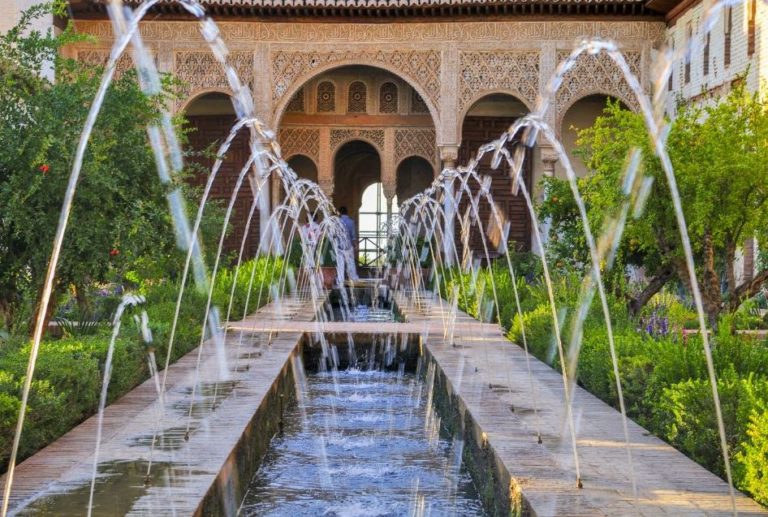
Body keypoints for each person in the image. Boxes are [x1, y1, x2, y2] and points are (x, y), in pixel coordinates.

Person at [337, 206, 359, 281]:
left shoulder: (337, 222)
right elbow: (353, 236)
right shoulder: (351, 222)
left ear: (339, 213)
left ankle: (340, 279)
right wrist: (355, 245)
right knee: (351, 263)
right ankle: (353, 278)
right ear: (347, 212)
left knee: (340, 265)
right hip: (349, 246)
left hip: (340, 246)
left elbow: (335, 235)